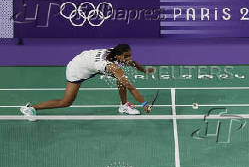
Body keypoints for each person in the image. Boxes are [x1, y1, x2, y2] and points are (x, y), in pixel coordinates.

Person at [20, 44, 155, 121]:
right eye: (126, 56)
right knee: (66, 102)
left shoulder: (115, 53)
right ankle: (31, 109)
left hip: (86, 61)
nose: (129, 58)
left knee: (121, 80)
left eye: (129, 55)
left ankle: (124, 105)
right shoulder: (112, 66)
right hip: (77, 69)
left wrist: (145, 71)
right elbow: (131, 88)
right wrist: (145, 104)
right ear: (118, 56)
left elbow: (132, 62)